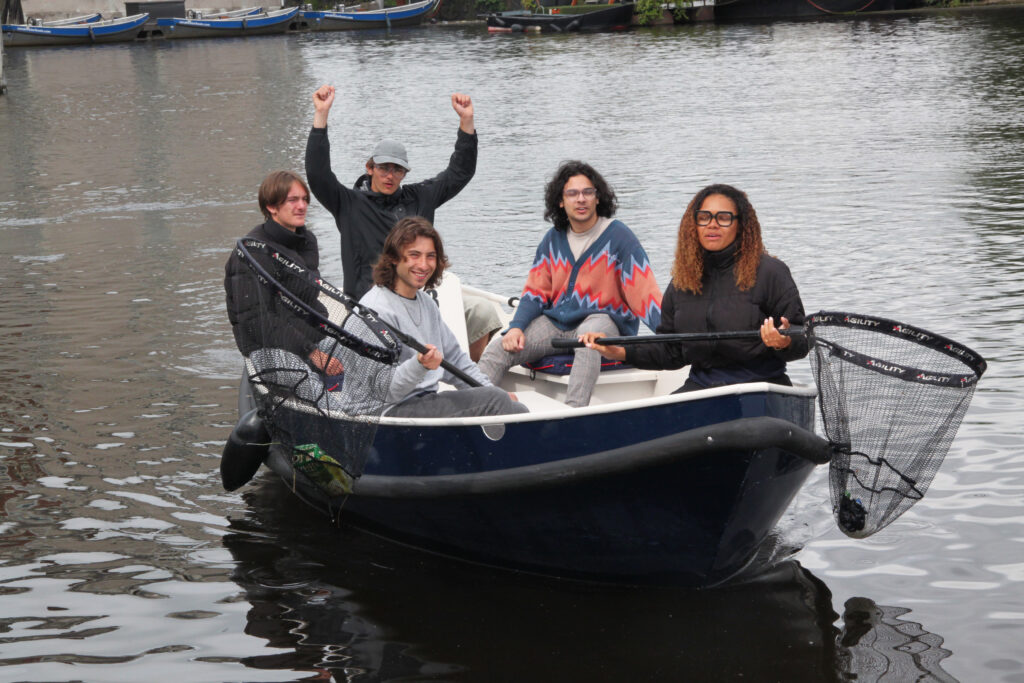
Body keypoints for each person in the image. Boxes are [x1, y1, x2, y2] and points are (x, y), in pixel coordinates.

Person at [304, 85, 501, 361]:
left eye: (397, 170)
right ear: (369, 167)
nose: (390, 175)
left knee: (482, 313)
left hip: (422, 298)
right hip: (373, 305)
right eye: (384, 168)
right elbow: (317, 174)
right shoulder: (348, 203)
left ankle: (473, 373)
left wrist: (466, 123)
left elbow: (460, 172)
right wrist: (321, 116)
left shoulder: (420, 197)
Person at [581, 183, 807, 391]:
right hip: (703, 386)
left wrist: (784, 341)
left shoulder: (770, 272)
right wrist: (618, 351)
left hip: (760, 387)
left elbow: (803, 337)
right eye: (704, 217)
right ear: (694, 224)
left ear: (741, 225)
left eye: (724, 217)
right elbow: (670, 350)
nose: (712, 224)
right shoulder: (684, 281)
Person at [475, 161, 662, 408]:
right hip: (556, 322)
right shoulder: (552, 239)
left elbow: (645, 293)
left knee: (588, 341)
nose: (581, 199)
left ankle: (573, 414)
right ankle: (477, 408)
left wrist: (672, 333)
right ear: (561, 202)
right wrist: (517, 327)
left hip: (605, 320)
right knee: (498, 348)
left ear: (598, 198)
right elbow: (534, 293)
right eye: (572, 193)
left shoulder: (619, 237)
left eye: (587, 192)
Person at [359, 217, 528, 418]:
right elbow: (381, 391)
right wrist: (419, 365)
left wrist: (491, 391)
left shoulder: (426, 303)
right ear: (394, 258)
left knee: (515, 408)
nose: (423, 265)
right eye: (414, 255)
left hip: (424, 400)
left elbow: (455, 360)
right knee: (496, 401)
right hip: (388, 412)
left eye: (430, 256)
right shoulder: (376, 308)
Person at [224, 170, 342, 377]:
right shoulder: (253, 253)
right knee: (314, 392)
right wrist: (312, 353)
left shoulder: (307, 241)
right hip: (266, 346)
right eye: (293, 200)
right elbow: (257, 321)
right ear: (271, 207)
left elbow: (307, 299)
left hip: (306, 337)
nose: (302, 206)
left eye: (305, 199)